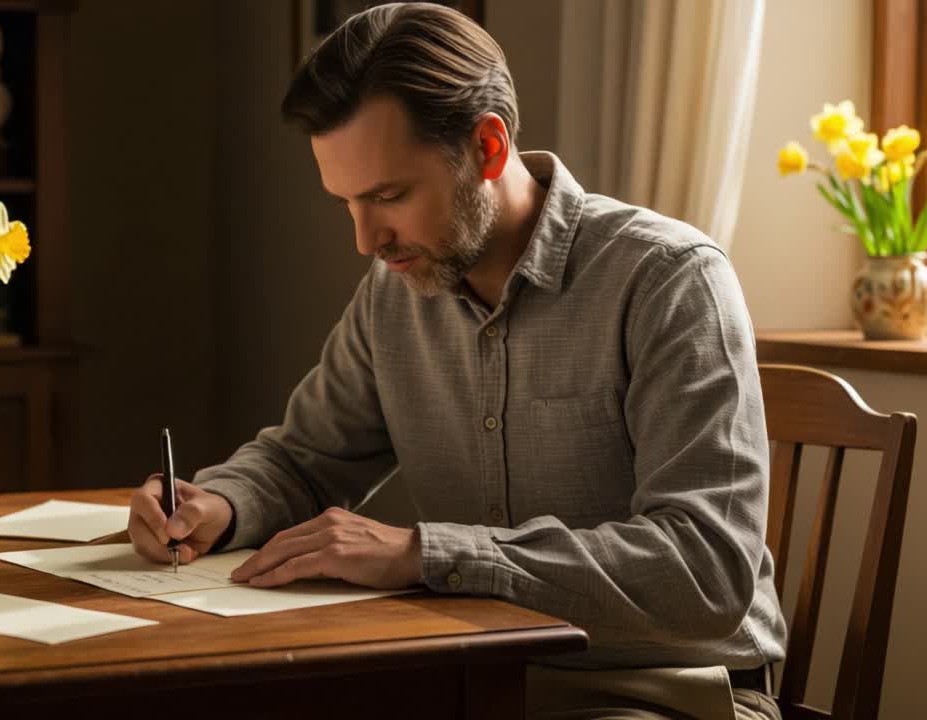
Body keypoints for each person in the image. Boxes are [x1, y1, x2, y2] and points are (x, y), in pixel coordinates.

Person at [128, 3, 786, 718]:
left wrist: (426, 555)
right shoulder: (395, 294)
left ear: (489, 147)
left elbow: (705, 570)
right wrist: (221, 505)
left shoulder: (668, 279)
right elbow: (304, 460)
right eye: (347, 203)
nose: (366, 240)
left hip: (667, 694)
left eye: (389, 195)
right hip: (469, 681)